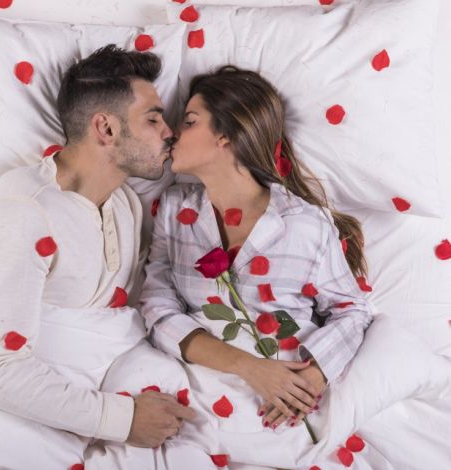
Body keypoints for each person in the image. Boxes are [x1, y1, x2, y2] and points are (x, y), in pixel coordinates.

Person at [0, 43, 194, 456]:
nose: (169, 131)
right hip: (12, 411)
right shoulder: (22, 212)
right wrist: (122, 419)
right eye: (153, 119)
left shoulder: (125, 206)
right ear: (105, 129)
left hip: (96, 384)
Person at [140, 64, 374, 445]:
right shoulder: (173, 210)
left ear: (226, 136)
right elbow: (157, 306)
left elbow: (352, 311)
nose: (172, 133)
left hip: (290, 407)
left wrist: (311, 379)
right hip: (203, 395)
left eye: (190, 120)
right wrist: (250, 368)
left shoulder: (304, 224)